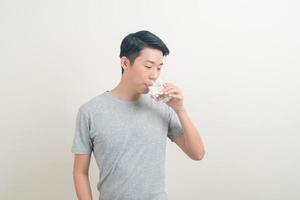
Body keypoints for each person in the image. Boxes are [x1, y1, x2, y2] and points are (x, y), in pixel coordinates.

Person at [71, 30, 205, 200]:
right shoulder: (90, 111)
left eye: (159, 68)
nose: (154, 75)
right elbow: (80, 172)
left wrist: (180, 109)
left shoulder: (162, 107)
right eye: (148, 66)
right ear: (125, 63)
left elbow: (197, 153)